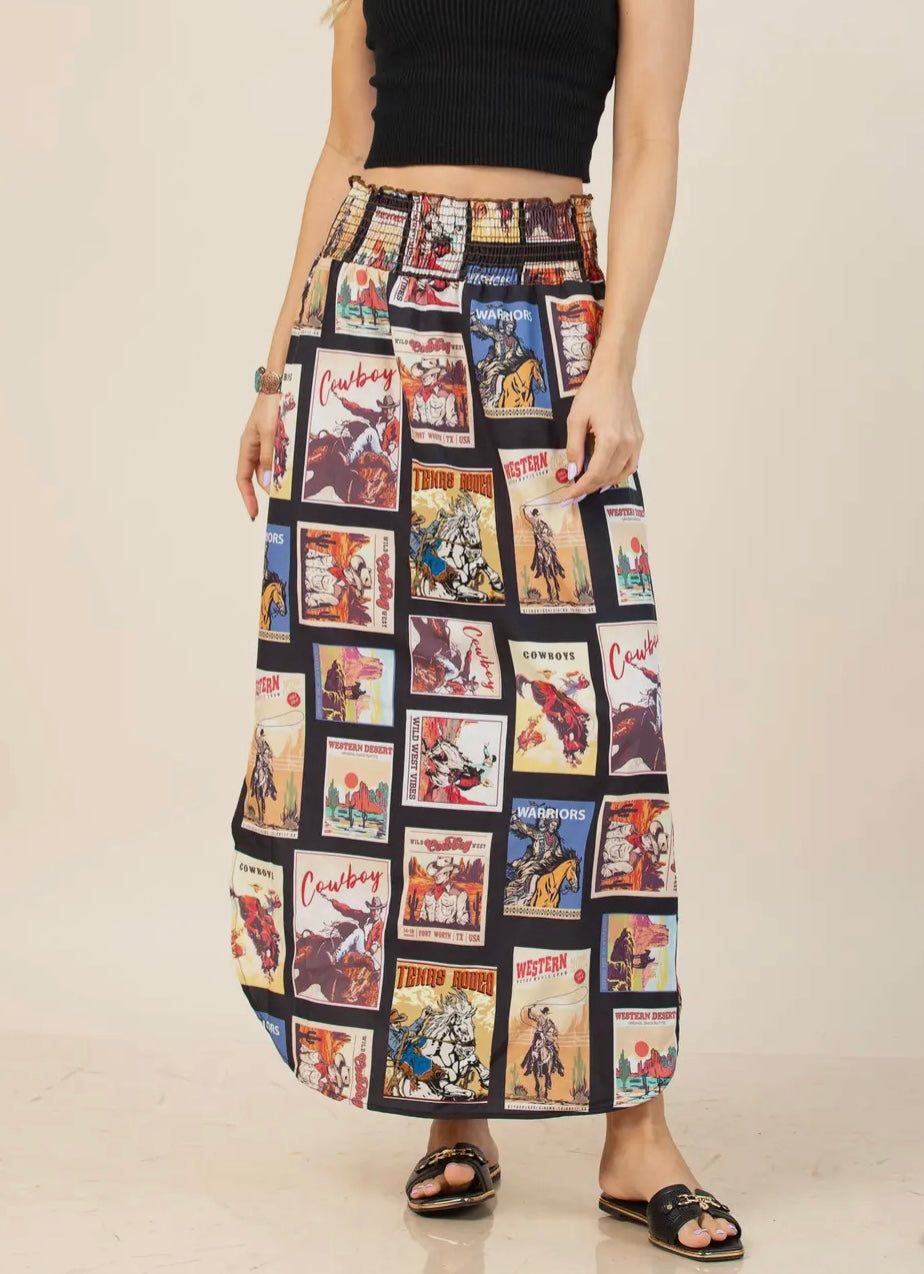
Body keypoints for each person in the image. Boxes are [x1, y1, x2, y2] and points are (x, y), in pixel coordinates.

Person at [231, 0, 744, 1261]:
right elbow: (346, 143)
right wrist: (275, 371)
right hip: (369, 309)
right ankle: (451, 1101)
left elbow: (649, 145)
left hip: (542, 304)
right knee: (399, 718)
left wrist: (614, 361)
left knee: (598, 721)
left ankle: (638, 1133)